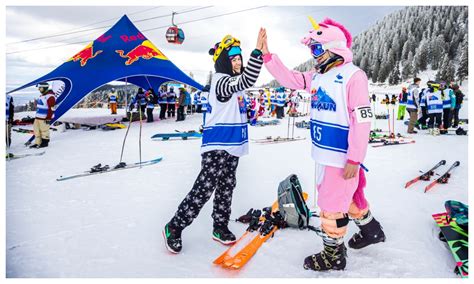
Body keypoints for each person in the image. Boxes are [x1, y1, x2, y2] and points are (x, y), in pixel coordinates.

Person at [262, 17, 385, 271]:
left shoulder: (353, 76)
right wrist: (268, 57)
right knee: (345, 198)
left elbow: (362, 121)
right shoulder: (317, 77)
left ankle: (333, 255)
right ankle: (371, 230)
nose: (314, 55)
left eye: (317, 48)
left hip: (341, 156)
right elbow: (292, 79)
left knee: (330, 205)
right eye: (312, 50)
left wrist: (355, 159)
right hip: (323, 151)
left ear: (335, 48)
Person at [163, 29, 266, 254]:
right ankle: (175, 226)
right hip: (217, 144)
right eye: (234, 58)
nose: (238, 62)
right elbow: (249, 78)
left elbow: (238, 99)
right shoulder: (221, 81)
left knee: (227, 185)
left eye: (240, 58)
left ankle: (219, 226)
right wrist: (257, 52)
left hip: (232, 144)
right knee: (205, 187)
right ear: (223, 61)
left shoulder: (235, 83)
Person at [30, 82, 56, 148]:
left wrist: (48, 118)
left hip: (45, 118)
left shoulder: (50, 97)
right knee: (36, 131)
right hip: (38, 117)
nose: (39, 89)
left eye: (40, 88)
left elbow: (52, 109)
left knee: (44, 131)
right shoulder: (42, 96)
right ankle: (37, 143)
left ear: (44, 88)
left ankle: (44, 143)